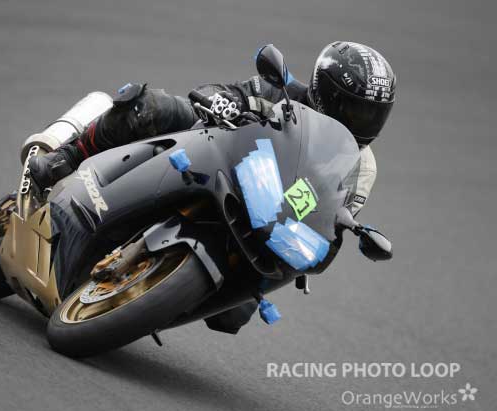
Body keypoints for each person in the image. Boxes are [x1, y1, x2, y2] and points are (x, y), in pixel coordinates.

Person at [29, 41, 396, 333]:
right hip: (213, 153)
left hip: (267, 213)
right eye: (354, 109)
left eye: (372, 114)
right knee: (149, 106)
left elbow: (332, 212)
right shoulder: (280, 90)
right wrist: (224, 103)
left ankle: (148, 294)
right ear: (324, 91)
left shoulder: (361, 168)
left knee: (233, 314)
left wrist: (338, 225)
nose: (362, 121)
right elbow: (217, 91)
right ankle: (69, 155)